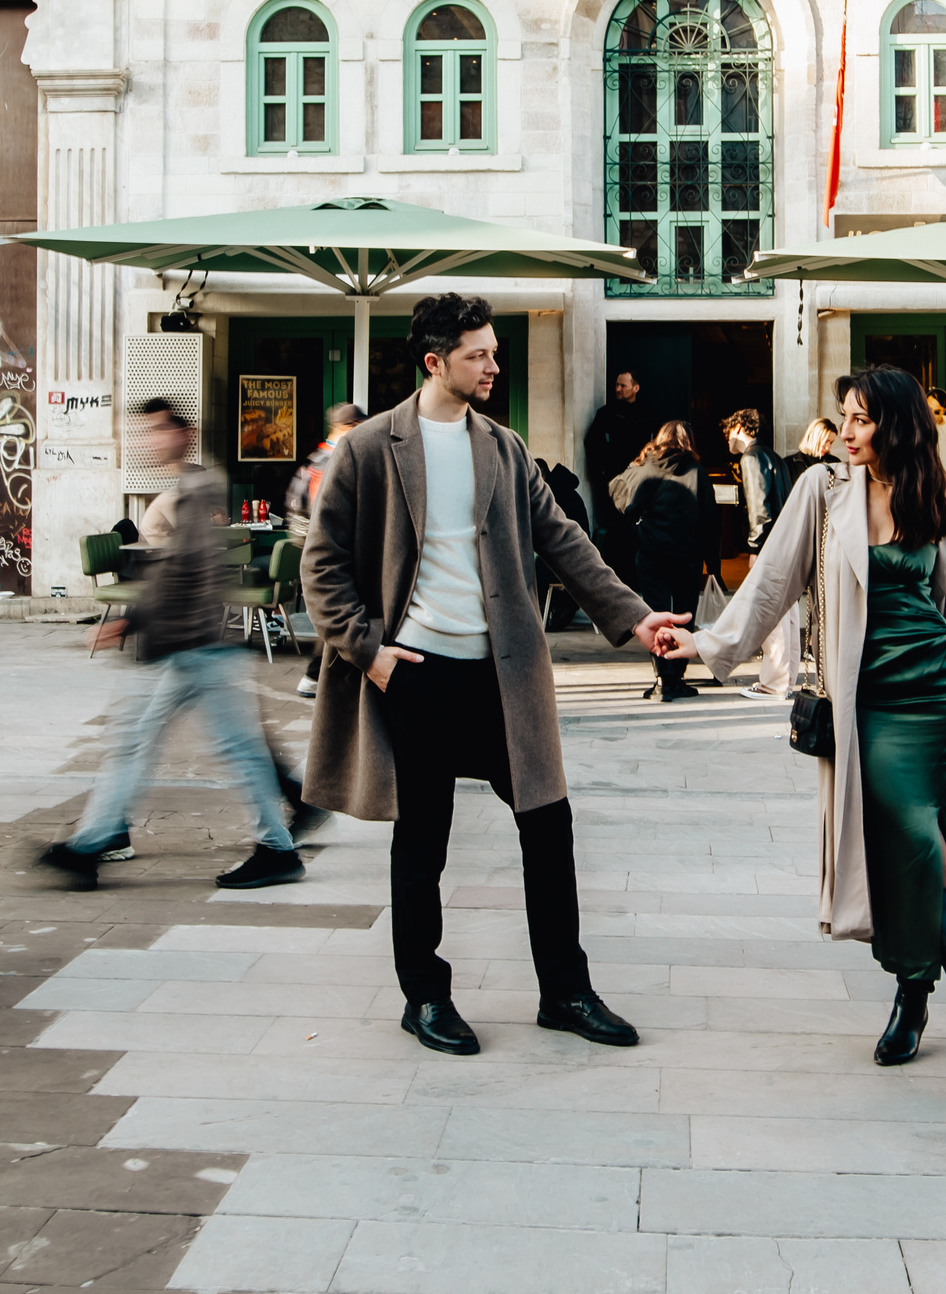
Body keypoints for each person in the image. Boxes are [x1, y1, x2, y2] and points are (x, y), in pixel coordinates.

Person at [301, 293, 686, 1058]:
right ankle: (426, 995)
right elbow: (322, 564)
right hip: (414, 674)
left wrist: (634, 616)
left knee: (549, 826)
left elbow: (564, 541)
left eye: (495, 351)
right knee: (423, 842)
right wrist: (368, 651)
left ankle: (565, 990)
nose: (493, 364)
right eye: (479, 353)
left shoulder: (504, 448)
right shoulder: (372, 447)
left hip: (503, 676)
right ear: (435, 361)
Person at [661, 366, 946, 1107]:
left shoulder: (942, 501)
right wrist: (708, 643)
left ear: (895, 424)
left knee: (931, 859)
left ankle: (915, 999)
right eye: (844, 417)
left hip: (944, 698)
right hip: (874, 709)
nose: (848, 431)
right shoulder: (824, 492)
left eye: (861, 419)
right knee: (925, 858)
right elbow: (771, 580)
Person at [42, 400, 319, 890]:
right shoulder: (190, 487)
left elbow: (183, 571)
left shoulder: (197, 488)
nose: (151, 439)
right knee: (139, 741)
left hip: (200, 646)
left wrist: (130, 621)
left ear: (184, 433)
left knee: (233, 748)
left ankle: (276, 849)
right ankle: (93, 840)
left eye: (157, 430)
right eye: (145, 431)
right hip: (187, 647)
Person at [614, 421, 710, 702]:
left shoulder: (648, 467)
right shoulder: (697, 472)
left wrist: (640, 529)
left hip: (652, 555)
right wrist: (712, 562)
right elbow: (709, 519)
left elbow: (624, 499)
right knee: (683, 616)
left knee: (656, 617)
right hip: (687, 558)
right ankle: (676, 679)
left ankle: (661, 679)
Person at [291, 402, 367, 701]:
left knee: (339, 611)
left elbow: (296, 504)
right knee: (340, 611)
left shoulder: (316, 458)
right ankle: (313, 676)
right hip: (333, 549)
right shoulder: (338, 458)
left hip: (315, 546)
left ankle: (320, 675)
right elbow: (328, 512)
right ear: (350, 426)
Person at [727, 409, 799, 699]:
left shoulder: (752, 457)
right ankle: (785, 679)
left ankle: (774, 683)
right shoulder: (776, 458)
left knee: (772, 616)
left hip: (770, 546)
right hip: (786, 542)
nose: (727, 437)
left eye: (729, 429)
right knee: (787, 615)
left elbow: (760, 508)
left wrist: (754, 549)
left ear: (740, 427)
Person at [584, 369, 661, 584]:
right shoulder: (606, 413)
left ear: (636, 388)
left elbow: (658, 446)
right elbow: (592, 443)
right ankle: (617, 579)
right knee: (616, 531)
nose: (617, 389)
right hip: (614, 481)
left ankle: (637, 578)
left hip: (641, 482)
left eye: (623, 386)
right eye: (616, 385)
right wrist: (602, 472)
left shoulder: (650, 415)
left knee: (637, 529)